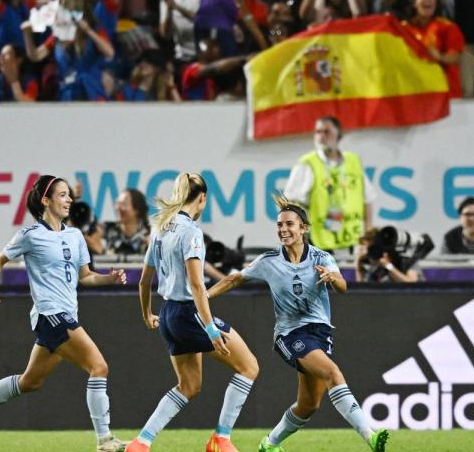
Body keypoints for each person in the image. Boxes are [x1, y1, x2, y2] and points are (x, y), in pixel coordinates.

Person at [0, 175, 128, 452]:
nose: (69, 200)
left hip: (66, 314)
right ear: (45, 200)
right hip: (51, 315)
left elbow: (86, 277)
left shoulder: (75, 235)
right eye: (62, 195)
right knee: (99, 367)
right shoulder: (30, 235)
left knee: (30, 381)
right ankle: (105, 441)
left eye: (69, 195)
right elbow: (0, 259)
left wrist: (109, 279)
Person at [207, 197, 389, 452]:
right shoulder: (268, 261)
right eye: (279, 225)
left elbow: (343, 286)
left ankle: (269, 444)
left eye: (289, 224)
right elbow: (233, 279)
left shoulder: (321, 257)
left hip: (320, 333)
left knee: (308, 405)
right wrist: (202, 298)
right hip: (289, 334)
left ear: (303, 228)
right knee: (332, 373)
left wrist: (332, 278)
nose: (283, 229)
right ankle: (370, 435)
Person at [125, 173, 259, 452]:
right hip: (189, 313)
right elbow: (197, 284)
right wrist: (210, 328)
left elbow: (143, 281)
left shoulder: (160, 228)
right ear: (201, 199)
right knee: (249, 367)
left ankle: (141, 442)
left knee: (189, 385)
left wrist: (147, 313)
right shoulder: (191, 232)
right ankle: (221, 439)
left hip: (168, 314)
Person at [284, 116, 375, 252]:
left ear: (339, 135)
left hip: (353, 240)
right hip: (320, 243)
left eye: (327, 132)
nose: (321, 137)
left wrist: (368, 234)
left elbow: (368, 199)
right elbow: (291, 203)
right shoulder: (308, 163)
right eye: (318, 132)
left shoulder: (353, 161)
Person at [22, 0, 115, 102]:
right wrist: (27, 34)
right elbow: (35, 56)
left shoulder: (94, 30)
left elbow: (110, 53)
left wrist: (88, 30)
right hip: (67, 93)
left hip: (92, 91)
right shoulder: (57, 37)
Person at [402, 0, 465, 98]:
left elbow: (456, 57)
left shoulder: (448, 27)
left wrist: (440, 57)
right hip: (415, 93)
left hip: (445, 94)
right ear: (414, 2)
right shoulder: (404, 29)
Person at [101, 188, 150, 257]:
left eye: (123, 204)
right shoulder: (106, 231)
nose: (118, 208)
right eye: (117, 203)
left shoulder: (150, 235)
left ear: (137, 209)